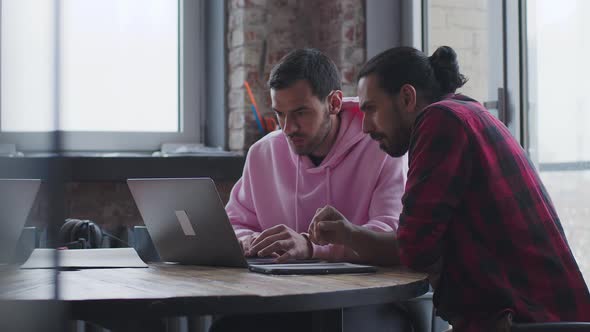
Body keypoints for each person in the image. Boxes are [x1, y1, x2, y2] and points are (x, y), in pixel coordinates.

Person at [309, 46, 590, 331]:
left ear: (407, 97)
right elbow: (417, 245)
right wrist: (348, 233)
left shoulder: (440, 121)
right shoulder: (466, 111)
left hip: (530, 321)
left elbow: (413, 250)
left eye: (371, 109)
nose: (366, 127)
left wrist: (349, 234)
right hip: (549, 315)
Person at [225, 48, 406, 265]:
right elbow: (233, 223)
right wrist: (250, 241)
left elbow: (390, 234)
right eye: (280, 114)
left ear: (334, 103)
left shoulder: (383, 147)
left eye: (301, 113)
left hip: (359, 291)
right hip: (279, 288)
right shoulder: (262, 153)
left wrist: (311, 247)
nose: (288, 128)